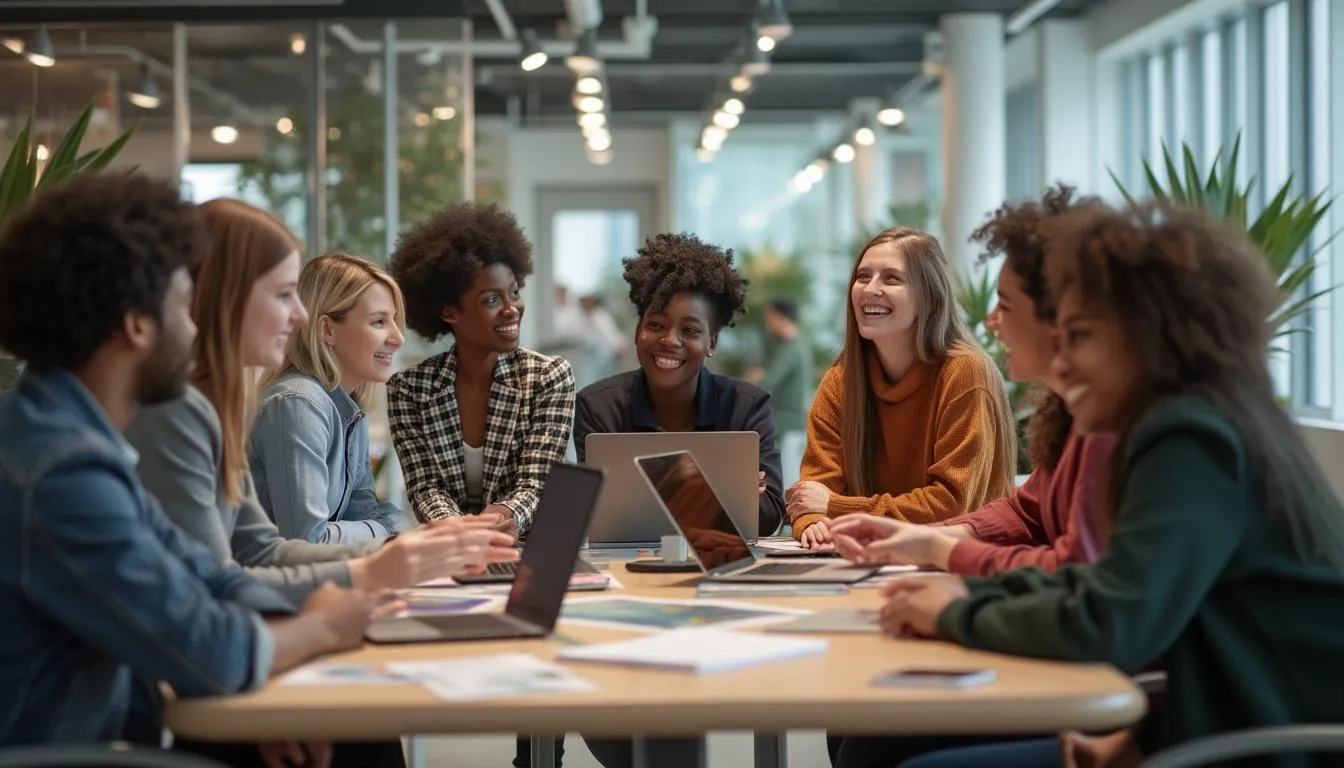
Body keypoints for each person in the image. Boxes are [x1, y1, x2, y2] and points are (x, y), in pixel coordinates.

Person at [882, 201, 1344, 768]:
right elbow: (1113, 588)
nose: (1064, 361)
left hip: (1271, 745)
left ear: (1146, 334)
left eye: (1079, 337)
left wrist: (953, 612)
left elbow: (1111, 621)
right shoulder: (1207, 418)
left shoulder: (1190, 439)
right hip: (1228, 723)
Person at [0, 174, 376, 755]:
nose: (197, 325)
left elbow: (204, 577)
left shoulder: (74, 438)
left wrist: (341, 591)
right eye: (183, 304)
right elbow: (208, 649)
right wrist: (322, 627)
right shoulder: (61, 470)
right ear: (137, 324)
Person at [822, 187, 1118, 768]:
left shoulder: (1130, 429)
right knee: (857, 730)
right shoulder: (1077, 415)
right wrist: (923, 540)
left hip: (1145, 708)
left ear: (1062, 319)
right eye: (864, 277)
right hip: (1092, 666)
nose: (988, 320)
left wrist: (947, 566)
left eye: (1006, 305)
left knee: (875, 744)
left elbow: (1082, 580)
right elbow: (1028, 510)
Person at [385, 202, 574, 768]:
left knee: (540, 702)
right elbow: (422, 485)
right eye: (491, 299)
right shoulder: (408, 391)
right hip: (449, 562)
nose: (511, 308)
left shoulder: (549, 376)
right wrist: (454, 530)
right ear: (449, 312)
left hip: (529, 553)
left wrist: (494, 523)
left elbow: (536, 482)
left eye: (513, 293)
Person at [789, 227, 1017, 549]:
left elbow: (951, 504)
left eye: (892, 279)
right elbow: (814, 489)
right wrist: (811, 522)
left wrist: (835, 508)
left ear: (929, 296)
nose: (871, 289)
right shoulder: (841, 381)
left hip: (961, 564)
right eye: (863, 276)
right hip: (869, 558)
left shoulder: (966, 373)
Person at [573, 232, 786, 538]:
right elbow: (596, 515)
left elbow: (767, 518)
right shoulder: (599, 406)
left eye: (690, 330)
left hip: (721, 568)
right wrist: (719, 488)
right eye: (656, 325)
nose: (670, 340)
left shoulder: (748, 406)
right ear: (637, 332)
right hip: (627, 568)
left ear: (711, 342)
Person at [251, 252, 413, 543]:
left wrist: (386, 527)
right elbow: (308, 540)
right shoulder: (297, 404)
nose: (398, 338)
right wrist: (388, 528)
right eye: (379, 322)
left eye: (395, 321)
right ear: (327, 330)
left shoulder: (348, 409)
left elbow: (362, 515)